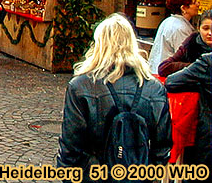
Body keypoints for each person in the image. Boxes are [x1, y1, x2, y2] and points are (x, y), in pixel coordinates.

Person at [56, 14, 172, 178]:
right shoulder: (155, 89)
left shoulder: (81, 86)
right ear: (132, 43)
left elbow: (71, 146)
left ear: (99, 44)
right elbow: (162, 148)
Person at [158, 10, 212, 168]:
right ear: (198, 28)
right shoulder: (192, 44)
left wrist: (197, 75)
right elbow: (165, 69)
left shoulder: (207, 62)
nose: (210, 33)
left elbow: (172, 82)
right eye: (206, 28)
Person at [148, 0, 199, 74]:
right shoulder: (180, 28)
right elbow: (184, 57)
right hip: (166, 75)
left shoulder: (168, 21)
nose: (198, 4)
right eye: (194, 2)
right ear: (183, 8)